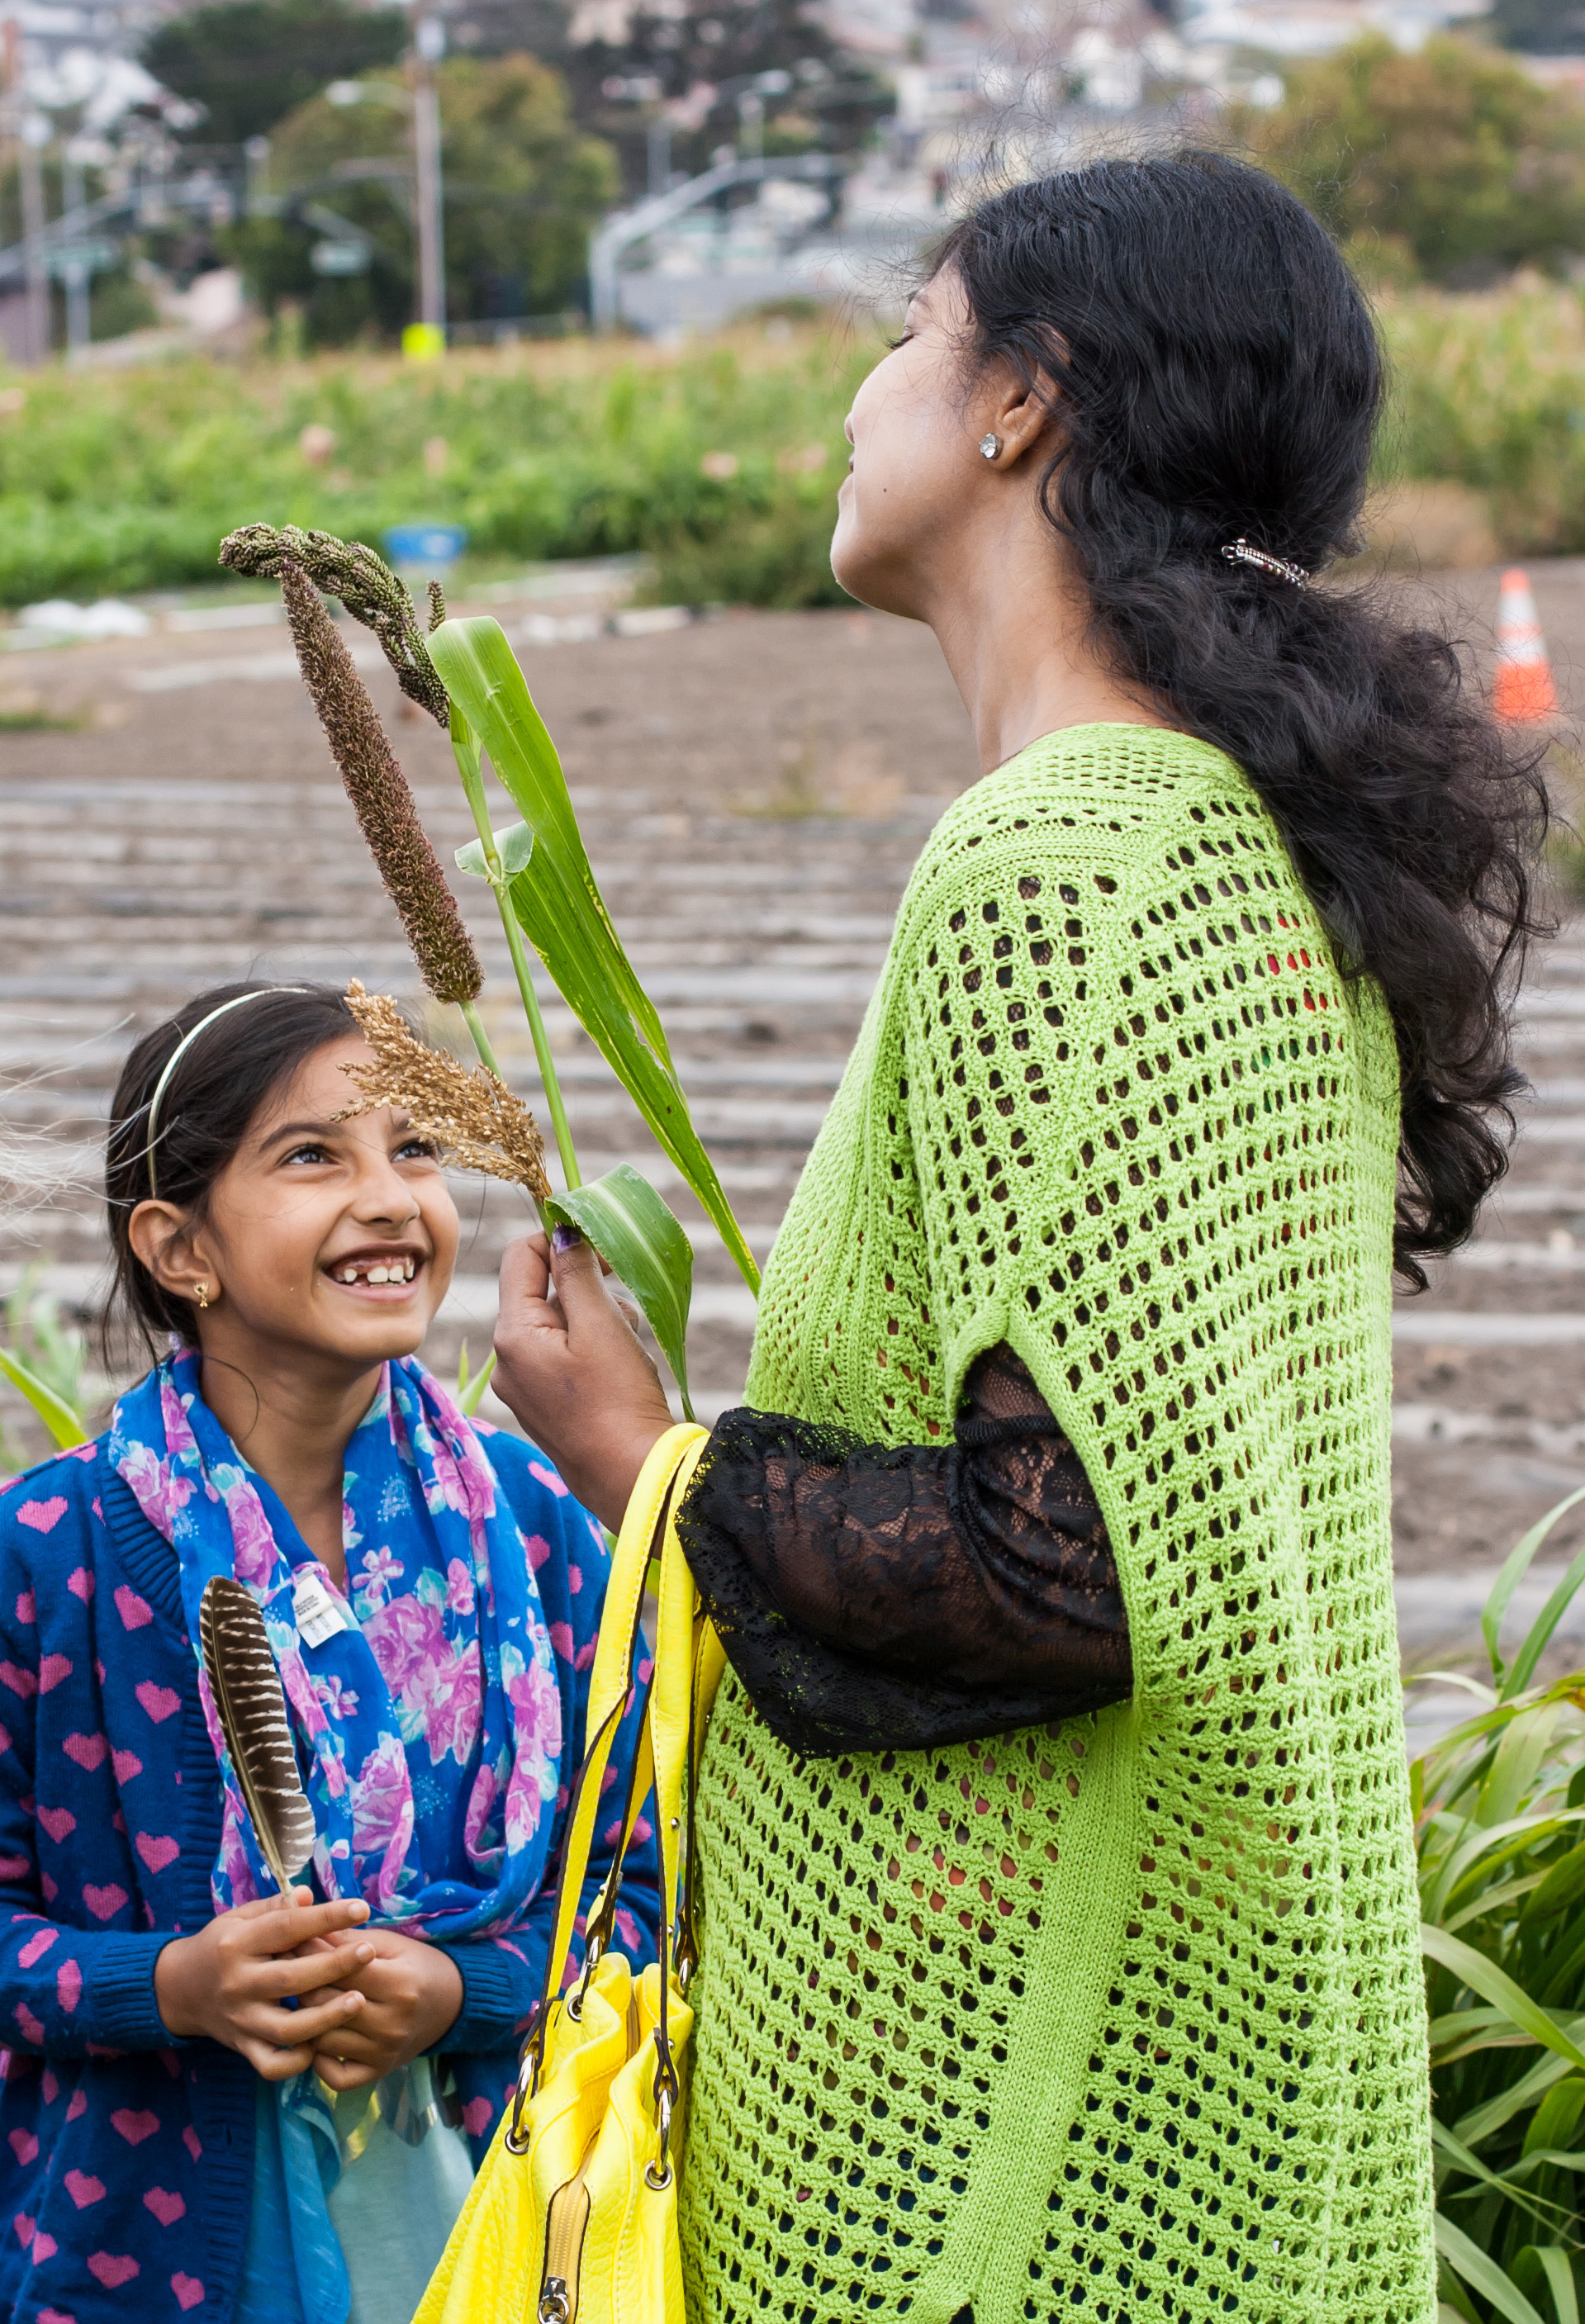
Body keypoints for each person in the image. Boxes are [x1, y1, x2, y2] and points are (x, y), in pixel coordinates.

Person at [486, 154, 1545, 2324]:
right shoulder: (1238, 844)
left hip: (1012, 2161)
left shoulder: (1067, 864)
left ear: (1020, 401)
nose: (857, 394)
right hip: (1196, 2074)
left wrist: (643, 1464)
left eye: (907, 333)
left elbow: (1069, 1573)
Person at [0, 982, 657, 2324]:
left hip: (495, 2238)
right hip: (149, 2257)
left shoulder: (532, 1533)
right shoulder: (51, 1553)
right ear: (180, 1248)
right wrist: (169, 1985)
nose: (390, 1197)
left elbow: (641, 1886)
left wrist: (465, 1987)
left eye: (413, 1148)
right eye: (313, 1155)